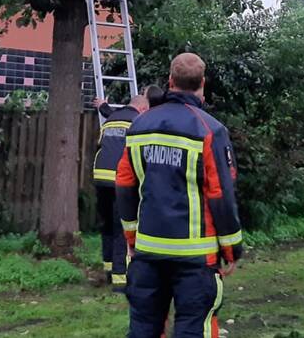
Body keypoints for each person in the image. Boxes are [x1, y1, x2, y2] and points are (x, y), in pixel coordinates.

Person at [116, 53, 243, 338]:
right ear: (202, 83)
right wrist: (232, 248)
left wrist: (132, 239)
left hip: (148, 252)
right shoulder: (210, 130)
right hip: (195, 258)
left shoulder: (139, 126)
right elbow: (221, 194)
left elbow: (124, 185)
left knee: (143, 328)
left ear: (170, 81)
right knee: (193, 328)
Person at [93, 91, 150, 291]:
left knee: (106, 225)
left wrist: (102, 105)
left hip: (100, 177)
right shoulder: (138, 122)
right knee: (121, 230)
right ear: (143, 109)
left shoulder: (111, 120)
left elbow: (101, 142)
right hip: (119, 180)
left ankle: (108, 270)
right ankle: (120, 280)